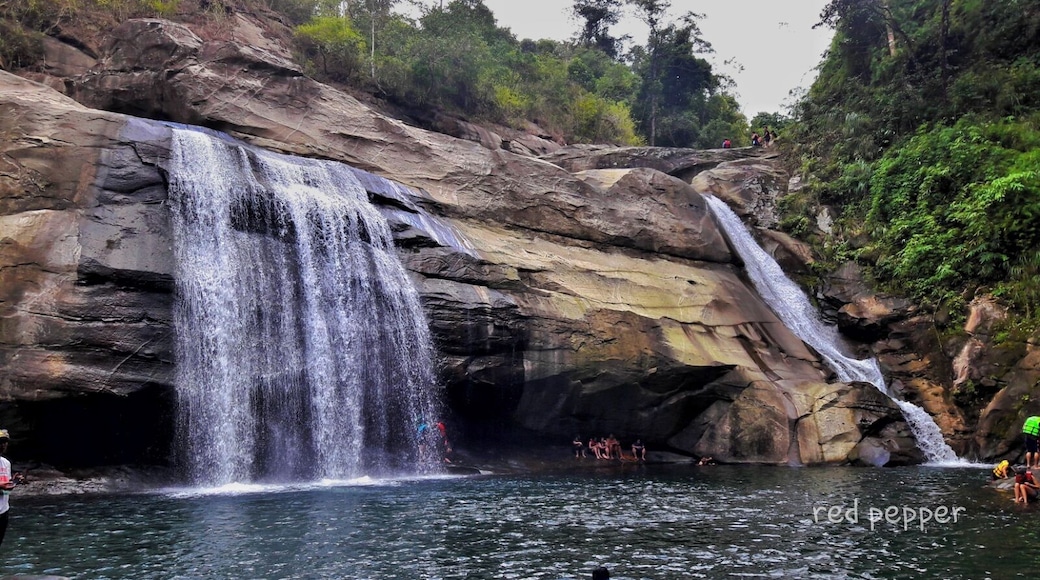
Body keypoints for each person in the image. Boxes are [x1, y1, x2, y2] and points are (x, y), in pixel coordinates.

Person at [0, 430, 15, 547]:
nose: (3, 445)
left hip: (3, 511)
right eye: (1, 442)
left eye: (5, 442)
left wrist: (14, 481)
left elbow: (6, 489)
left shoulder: (6, 463)